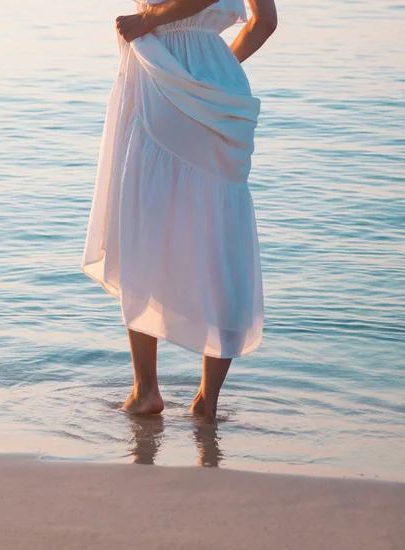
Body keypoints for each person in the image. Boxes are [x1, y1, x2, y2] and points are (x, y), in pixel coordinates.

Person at [81, 0, 277, 421]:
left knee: (144, 228)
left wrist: (150, 20)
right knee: (221, 237)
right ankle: (208, 401)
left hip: (165, 82)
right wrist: (215, 69)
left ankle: (146, 389)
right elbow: (265, 22)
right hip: (220, 87)